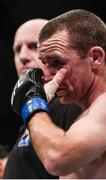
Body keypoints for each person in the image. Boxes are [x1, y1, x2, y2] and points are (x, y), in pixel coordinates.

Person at [11, 9, 106, 179]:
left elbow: (56, 159)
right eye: (44, 63)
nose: (46, 76)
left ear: (95, 58)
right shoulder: (84, 116)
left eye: (57, 62)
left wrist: (32, 102)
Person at [3, 18, 82, 179]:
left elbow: (63, 161)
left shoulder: (70, 105)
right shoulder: (35, 114)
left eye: (33, 46)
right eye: (17, 50)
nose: (22, 56)